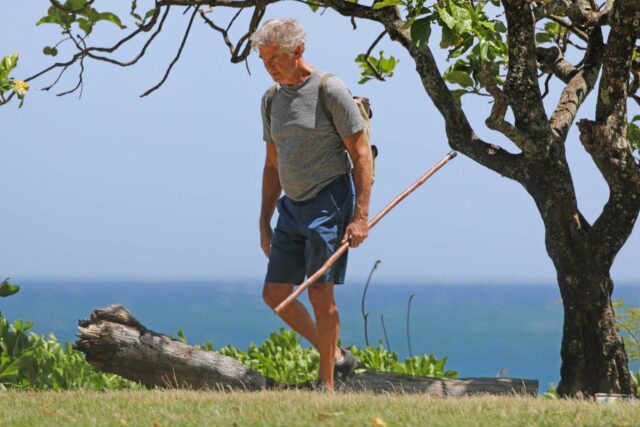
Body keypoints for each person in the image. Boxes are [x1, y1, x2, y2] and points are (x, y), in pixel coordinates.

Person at [250, 19, 373, 392]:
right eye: (264, 58)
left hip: (329, 201)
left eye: (276, 57)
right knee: (275, 294)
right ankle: (336, 357)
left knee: (320, 293)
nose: (269, 65)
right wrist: (264, 221)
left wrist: (361, 217)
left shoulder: (328, 89)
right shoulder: (271, 99)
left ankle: (328, 384)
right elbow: (273, 164)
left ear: (297, 51)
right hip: (292, 205)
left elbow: (362, 155)